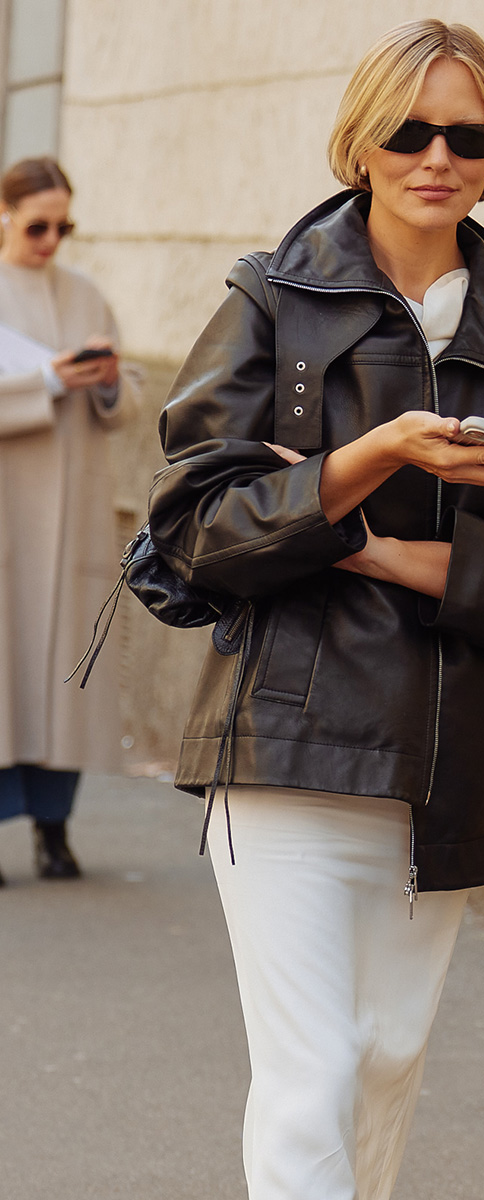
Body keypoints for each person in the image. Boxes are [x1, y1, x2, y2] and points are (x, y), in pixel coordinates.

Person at [147, 19, 484, 1200]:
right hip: (288, 738)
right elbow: (192, 523)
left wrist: (366, 548)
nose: (437, 154)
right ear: (362, 144)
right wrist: (372, 453)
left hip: (453, 749)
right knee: (312, 1072)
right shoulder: (274, 301)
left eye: (465, 133)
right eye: (408, 130)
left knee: (383, 1060)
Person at [0, 157, 138, 886]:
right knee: (5, 675)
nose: (52, 239)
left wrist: (109, 381)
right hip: (9, 521)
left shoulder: (85, 295)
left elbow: (130, 399)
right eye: (38, 225)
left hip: (74, 514)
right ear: (6, 217)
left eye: (64, 225)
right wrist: (47, 380)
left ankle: (55, 834)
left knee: (63, 681)